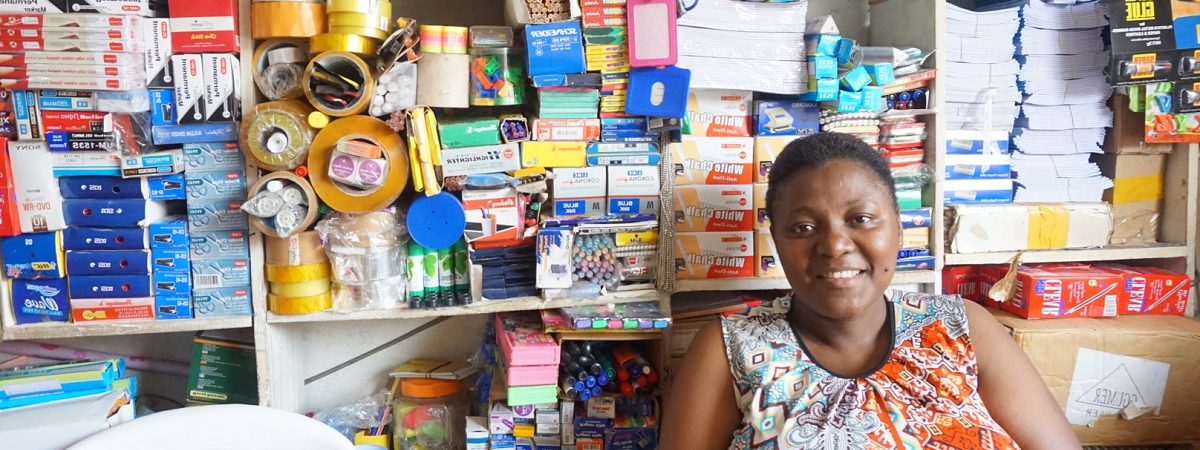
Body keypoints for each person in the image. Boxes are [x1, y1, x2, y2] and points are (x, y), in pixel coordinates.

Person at [660, 133, 1080, 449]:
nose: (835, 245)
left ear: (899, 228)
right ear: (777, 243)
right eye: (803, 228)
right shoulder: (730, 347)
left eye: (860, 219)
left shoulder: (963, 327)